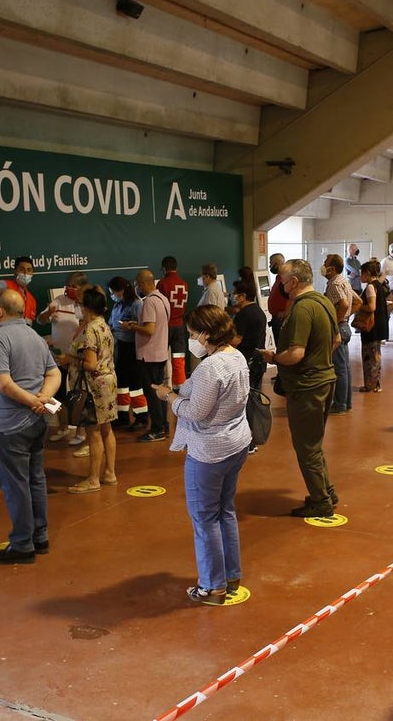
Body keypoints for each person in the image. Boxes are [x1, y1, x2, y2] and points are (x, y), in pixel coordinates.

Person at [153, 305, 251, 606]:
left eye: (194, 334)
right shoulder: (236, 356)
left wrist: (169, 397)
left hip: (209, 451)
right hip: (236, 443)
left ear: (206, 334)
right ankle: (230, 574)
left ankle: (212, 586)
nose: (192, 339)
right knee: (225, 510)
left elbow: (195, 412)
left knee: (205, 518)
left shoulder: (210, 367)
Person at [0, 288, 61, 564]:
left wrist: (33, 401)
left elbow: (3, 383)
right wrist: (44, 398)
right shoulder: (33, 335)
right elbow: (54, 372)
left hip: (9, 426)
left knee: (16, 485)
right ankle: (40, 537)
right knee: (36, 479)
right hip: (36, 423)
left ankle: (22, 544)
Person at [257, 259, 340, 518]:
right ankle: (326, 491)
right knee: (313, 444)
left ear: (293, 281)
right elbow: (336, 339)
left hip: (307, 388)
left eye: (282, 279)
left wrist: (273, 357)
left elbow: (294, 355)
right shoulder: (324, 302)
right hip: (324, 381)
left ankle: (321, 502)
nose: (280, 284)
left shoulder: (303, 309)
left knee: (306, 447)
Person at [58, 288, 118, 493]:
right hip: (108, 383)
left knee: (93, 433)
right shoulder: (103, 325)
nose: (78, 307)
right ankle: (109, 472)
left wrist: (69, 360)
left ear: (87, 307)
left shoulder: (90, 329)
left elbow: (90, 364)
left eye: (81, 304)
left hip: (93, 387)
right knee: (106, 430)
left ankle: (93, 478)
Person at [38, 271, 87, 450]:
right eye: (68, 285)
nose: (70, 288)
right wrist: (48, 313)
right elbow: (40, 320)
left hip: (76, 358)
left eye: (74, 286)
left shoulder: (85, 305)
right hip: (57, 357)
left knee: (79, 396)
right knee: (55, 396)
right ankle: (63, 427)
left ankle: (81, 431)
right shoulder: (58, 301)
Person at [127, 269, 172, 442]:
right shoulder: (163, 299)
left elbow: (149, 329)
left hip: (149, 355)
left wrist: (132, 326)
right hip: (159, 352)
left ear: (145, 283)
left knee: (152, 394)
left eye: (137, 284)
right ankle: (164, 425)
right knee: (159, 392)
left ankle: (157, 429)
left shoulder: (149, 303)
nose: (137, 287)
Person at [108, 276, 148, 430]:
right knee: (122, 383)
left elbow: (144, 326)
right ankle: (122, 415)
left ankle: (141, 417)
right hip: (119, 347)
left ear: (122, 290)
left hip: (133, 347)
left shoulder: (137, 304)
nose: (112, 295)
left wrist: (130, 326)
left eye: (114, 292)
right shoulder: (117, 305)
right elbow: (112, 323)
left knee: (135, 385)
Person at [323, 253, 355, 414]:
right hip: (345, 325)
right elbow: (357, 302)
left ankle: (340, 404)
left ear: (332, 268)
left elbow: (343, 304)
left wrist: (335, 322)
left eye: (325, 263)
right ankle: (346, 403)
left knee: (339, 369)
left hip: (339, 327)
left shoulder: (334, 284)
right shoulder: (344, 281)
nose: (323, 265)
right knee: (345, 367)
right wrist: (347, 316)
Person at [157, 256, 189, 390]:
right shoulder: (184, 283)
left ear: (164, 269)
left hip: (166, 326)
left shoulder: (162, 283)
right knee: (179, 357)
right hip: (180, 325)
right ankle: (182, 387)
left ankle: (166, 385)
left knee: (163, 357)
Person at [230, 279, 267, 391]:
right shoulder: (258, 311)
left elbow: (236, 340)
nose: (233, 296)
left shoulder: (244, 314)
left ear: (243, 296)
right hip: (258, 360)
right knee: (255, 395)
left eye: (235, 293)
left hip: (247, 361)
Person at [358, 260, 389, 392]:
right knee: (376, 356)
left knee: (369, 356)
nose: (361, 276)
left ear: (367, 273)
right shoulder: (379, 285)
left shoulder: (370, 287)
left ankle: (370, 384)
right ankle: (375, 384)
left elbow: (372, 307)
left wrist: (359, 306)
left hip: (372, 327)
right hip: (379, 326)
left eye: (362, 273)